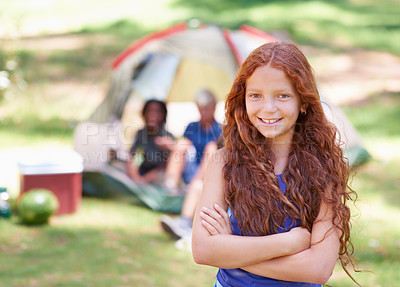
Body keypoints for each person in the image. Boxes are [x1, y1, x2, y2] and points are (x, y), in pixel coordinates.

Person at [192, 42, 359, 286]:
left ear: (303, 102)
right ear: (243, 99)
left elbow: (319, 268)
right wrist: (288, 243)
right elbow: (202, 250)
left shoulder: (324, 170)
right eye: (255, 95)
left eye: (282, 95)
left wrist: (230, 250)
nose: (268, 108)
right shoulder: (223, 163)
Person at [160, 89, 223, 239]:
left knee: (211, 149)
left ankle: (184, 222)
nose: (203, 112)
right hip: (190, 168)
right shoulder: (192, 126)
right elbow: (183, 148)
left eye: (206, 108)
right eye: (200, 108)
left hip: (207, 174)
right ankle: (171, 185)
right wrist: (171, 146)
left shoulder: (220, 129)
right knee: (182, 144)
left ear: (214, 108)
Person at [126, 99, 175, 184]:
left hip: (157, 176)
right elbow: (135, 157)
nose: (153, 114)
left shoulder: (167, 137)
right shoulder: (140, 134)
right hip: (141, 172)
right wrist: (136, 178)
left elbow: (163, 167)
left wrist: (144, 180)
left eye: (157, 111)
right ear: (144, 114)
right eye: (149, 111)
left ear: (163, 115)